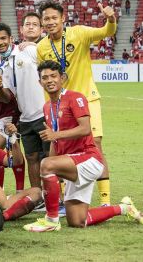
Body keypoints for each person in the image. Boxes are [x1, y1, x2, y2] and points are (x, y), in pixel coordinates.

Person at [24, 61, 142, 232]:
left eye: (53, 76)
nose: (49, 80)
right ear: (39, 82)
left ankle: (51, 220)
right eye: (44, 78)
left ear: (62, 78)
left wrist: (53, 147)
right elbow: (54, 142)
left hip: (89, 158)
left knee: (46, 164)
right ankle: (124, 207)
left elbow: (85, 128)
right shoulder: (47, 106)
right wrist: (51, 168)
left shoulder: (75, 97)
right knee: (77, 221)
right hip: (72, 163)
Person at [36, 0, 116, 205]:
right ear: (42, 22)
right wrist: (50, 108)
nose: (51, 22)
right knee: (61, 146)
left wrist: (111, 19)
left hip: (87, 98)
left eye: (54, 17)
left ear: (63, 18)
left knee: (95, 143)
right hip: (60, 104)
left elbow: (106, 32)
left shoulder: (79, 33)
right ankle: (63, 198)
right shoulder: (42, 46)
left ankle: (105, 200)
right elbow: (45, 78)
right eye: (46, 19)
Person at [0, 21, 47, 189]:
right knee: (31, 158)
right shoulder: (1, 67)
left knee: (49, 157)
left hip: (43, 113)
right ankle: (38, 197)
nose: (0, 43)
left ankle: (56, 197)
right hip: (25, 118)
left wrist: (37, 42)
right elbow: (7, 97)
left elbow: (49, 57)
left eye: (3, 38)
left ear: (11, 38)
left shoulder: (27, 50)